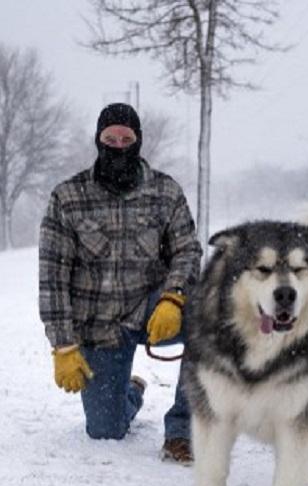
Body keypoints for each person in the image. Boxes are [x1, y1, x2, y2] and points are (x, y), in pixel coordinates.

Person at [38, 103, 202, 464]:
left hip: (153, 310)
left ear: (138, 141)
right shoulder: (67, 198)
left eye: (126, 138)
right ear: (98, 140)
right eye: (109, 138)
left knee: (213, 319)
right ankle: (130, 393)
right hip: (100, 326)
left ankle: (183, 431)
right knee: (104, 431)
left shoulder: (165, 192)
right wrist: (63, 346)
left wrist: (174, 297)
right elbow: (52, 276)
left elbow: (188, 250)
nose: (118, 145)